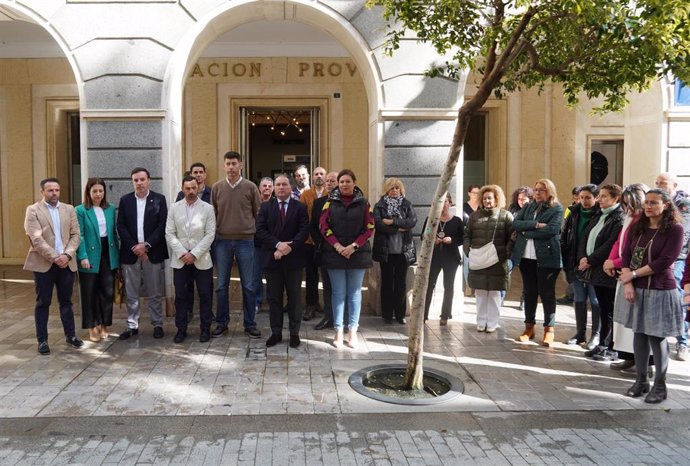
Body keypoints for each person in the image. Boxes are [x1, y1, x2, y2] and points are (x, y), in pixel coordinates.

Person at [616, 189, 684, 403]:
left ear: (666, 205)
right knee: (639, 334)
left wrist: (632, 274)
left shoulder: (675, 229)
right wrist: (628, 281)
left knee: (656, 336)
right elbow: (626, 254)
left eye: (654, 202)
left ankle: (660, 386)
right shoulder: (639, 226)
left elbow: (664, 261)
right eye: (646, 202)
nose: (648, 206)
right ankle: (641, 380)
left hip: (660, 288)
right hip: (636, 288)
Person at [24, 178, 84, 354]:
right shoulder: (33, 210)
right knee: (43, 302)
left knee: (66, 301)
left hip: (66, 263)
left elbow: (76, 234)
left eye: (57, 190)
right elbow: (35, 238)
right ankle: (42, 340)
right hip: (44, 264)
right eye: (50, 190)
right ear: (42, 192)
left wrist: (67, 255)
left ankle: (71, 335)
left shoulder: (69, 209)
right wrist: (55, 256)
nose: (54, 193)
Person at [320, 169, 374, 348]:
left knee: (354, 293)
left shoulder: (364, 203)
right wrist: (337, 245)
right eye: (341, 181)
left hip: (356, 254)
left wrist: (353, 246)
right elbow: (323, 225)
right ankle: (337, 331)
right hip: (334, 253)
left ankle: (352, 331)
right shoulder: (330, 202)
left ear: (354, 183)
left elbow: (369, 228)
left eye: (347, 181)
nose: (344, 184)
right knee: (338, 293)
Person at [211, 151, 262, 339]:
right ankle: (222, 323)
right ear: (224, 166)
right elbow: (212, 215)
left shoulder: (250, 187)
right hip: (222, 241)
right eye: (228, 164)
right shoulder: (217, 188)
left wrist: (253, 233)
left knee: (248, 285)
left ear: (241, 164)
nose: (231, 167)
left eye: (234, 163)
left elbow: (259, 214)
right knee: (221, 285)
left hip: (246, 241)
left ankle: (250, 324)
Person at [256, 174, 310, 348]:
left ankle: (294, 333)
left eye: (284, 184)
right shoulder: (265, 207)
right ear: (274, 188)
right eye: (277, 184)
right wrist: (278, 245)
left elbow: (304, 231)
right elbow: (261, 231)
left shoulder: (300, 207)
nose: (280, 187)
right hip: (273, 260)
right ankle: (276, 332)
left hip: (293, 260)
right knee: (274, 299)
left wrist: (290, 247)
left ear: (289, 187)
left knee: (294, 298)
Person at [117, 167, 169, 340]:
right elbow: (121, 227)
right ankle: (132, 325)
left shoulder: (159, 200)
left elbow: (162, 226)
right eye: (136, 180)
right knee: (131, 292)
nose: (139, 183)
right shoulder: (125, 201)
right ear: (132, 182)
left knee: (154, 291)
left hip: (151, 253)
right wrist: (135, 247)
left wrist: (146, 246)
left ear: (149, 180)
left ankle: (157, 324)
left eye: (142, 179)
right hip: (131, 254)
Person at [511, 178, 563, 346]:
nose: (538, 192)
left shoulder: (556, 208)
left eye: (542, 189)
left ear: (550, 192)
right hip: (526, 257)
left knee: (547, 294)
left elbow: (552, 230)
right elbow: (516, 223)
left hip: (547, 258)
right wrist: (535, 225)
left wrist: (527, 233)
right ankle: (529, 328)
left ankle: (549, 330)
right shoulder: (528, 206)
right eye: (536, 189)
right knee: (529, 293)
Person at [603, 183, 648, 373]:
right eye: (626, 204)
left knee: (638, 322)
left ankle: (644, 361)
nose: (629, 209)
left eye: (632, 204)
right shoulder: (630, 218)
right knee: (624, 320)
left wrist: (617, 263)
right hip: (623, 272)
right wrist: (610, 260)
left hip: (637, 275)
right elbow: (619, 242)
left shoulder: (646, 222)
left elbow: (638, 251)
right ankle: (627, 356)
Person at [165, 175, 216, 343]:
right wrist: (182, 253)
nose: (191, 191)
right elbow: (169, 233)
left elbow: (210, 234)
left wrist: (194, 254)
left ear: (198, 188)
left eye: (194, 188)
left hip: (201, 259)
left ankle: (205, 329)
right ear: (182, 189)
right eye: (187, 188)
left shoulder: (208, 208)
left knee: (205, 295)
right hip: (180, 260)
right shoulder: (174, 208)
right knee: (180, 296)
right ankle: (181, 329)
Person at [577, 184, 624, 361]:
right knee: (604, 309)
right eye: (600, 196)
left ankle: (610, 345)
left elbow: (610, 245)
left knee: (609, 309)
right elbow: (585, 236)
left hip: (606, 270)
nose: (600, 199)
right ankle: (602, 344)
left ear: (615, 198)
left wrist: (590, 260)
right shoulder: (599, 215)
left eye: (604, 196)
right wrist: (582, 256)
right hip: (595, 268)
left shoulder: (618, 218)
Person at [75, 177, 120, 342]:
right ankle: (92, 327)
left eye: (101, 191)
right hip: (90, 253)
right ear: (88, 192)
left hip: (108, 253)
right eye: (94, 191)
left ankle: (104, 325)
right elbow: (79, 235)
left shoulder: (110, 209)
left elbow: (113, 234)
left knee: (107, 292)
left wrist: (118, 257)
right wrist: (83, 256)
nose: (98, 194)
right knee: (89, 293)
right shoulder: (80, 210)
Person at [464, 185, 513, 332]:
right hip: (478, 260)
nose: (487, 201)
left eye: (489, 198)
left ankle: (492, 323)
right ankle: (481, 322)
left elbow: (512, 237)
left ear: (496, 199)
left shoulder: (505, 216)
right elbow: (467, 235)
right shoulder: (474, 216)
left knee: (494, 293)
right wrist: (468, 250)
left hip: (497, 260)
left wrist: (506, 252)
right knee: (480, 292)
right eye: (484, 198)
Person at [561, 184, 601, 348]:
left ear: (596, 198)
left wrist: (590, 259)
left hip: (593, 263)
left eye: (588, 197)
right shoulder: (574, 212)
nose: (584, 201)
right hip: (575, 261)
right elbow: (566, 235)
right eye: (581, 197)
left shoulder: (601, 214)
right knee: (579, 298)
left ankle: (596, 335)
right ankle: (580, 333)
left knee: (595, 300)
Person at [655, 172, 690, 361]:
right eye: (657, 182)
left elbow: (683, 233)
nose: (660, 186)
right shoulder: (657, 202)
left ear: (674, 185)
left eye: (664, 183)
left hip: (677, 258)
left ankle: (682, 341)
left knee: (677, 298)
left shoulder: (684, 205)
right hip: (658, 257)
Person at [373, 178, 417, 324]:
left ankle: (400, 315)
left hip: (403, 251)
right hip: (386, 251)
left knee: (401, 283)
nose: (394, 190)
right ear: (386, 190)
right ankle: (387, 315)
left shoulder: (407, 204)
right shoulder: (379, 206)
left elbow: (411, 222)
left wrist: (392, 222)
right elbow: (379, 225)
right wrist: (399, 228)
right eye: (391, 188)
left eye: (397, 188)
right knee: (387, 283)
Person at [422, 193, 463, 325]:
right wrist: (433, 240)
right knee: (429, 285)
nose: (443, 205)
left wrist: (452, 240)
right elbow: (424, 236)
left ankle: (445, 315)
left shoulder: (457, 221)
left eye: (445, 202)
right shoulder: (431, 220)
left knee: (448, 286)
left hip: (451, 258)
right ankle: (423, 315)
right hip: (434, 257)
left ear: (450, 203)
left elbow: (462, 239)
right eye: (440, 202)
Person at [299, 166, 329, 321]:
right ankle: (311, 304)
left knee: (326, 273)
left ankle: (326, 304)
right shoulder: (305, 194)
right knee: (311, 274)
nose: (319, 176)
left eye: (321, 174)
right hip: (309, 240)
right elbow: (302, 215)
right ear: (312, 177)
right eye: (316, 174)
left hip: (327, 241)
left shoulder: (330, 194)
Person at [312, 171, 339, 330]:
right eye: (327, 181)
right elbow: (314, 227)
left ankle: (342, 319)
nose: (329, 183)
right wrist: (322, 243)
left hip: (342, 251)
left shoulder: (346, 202)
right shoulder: (319, 203)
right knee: (327, 287)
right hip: (325, 250)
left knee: (342, 288)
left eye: (333, 181)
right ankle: (328, 317)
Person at [253, 177, 274, 313]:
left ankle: (273, 301)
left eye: (269, 186)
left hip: (272, 245)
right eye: (264, 186)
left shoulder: (276, 203)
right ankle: (257, 302)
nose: (266, 188)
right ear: (259, 188)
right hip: (256, 244)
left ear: (273, 188)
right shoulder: (254, 203)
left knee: (272, 275)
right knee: (256, 275)